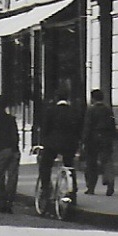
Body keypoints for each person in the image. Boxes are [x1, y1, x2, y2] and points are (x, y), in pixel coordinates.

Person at [37, 85, 84, 213]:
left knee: (45, 165)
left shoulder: (51, 111)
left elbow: (45, 129)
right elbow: (79, 129)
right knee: (69, 166)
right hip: (70, 144)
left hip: (53, 144)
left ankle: (46, 189)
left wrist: (43, 142)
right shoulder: (74, 111)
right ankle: (72, 193)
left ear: (57, 97)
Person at [79, 88, 117, 196]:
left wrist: (84, 141)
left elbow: (87, 126)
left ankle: (91, 187)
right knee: (108, 162)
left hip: (92, 139)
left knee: (91, 164)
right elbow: (113, 125)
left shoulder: (91, 110)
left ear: (92, 98)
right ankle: (110, 184)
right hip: (106, 139)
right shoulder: (108, 109)